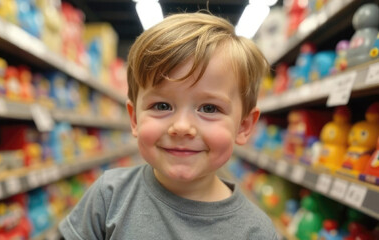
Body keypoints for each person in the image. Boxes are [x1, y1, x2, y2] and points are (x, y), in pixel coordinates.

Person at [59, 12, 278, 240]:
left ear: (243, 126)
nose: (182, 127)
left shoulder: (257, 232)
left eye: (209, 109)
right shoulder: (108, 198)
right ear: (134, 119)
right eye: (162, 105)